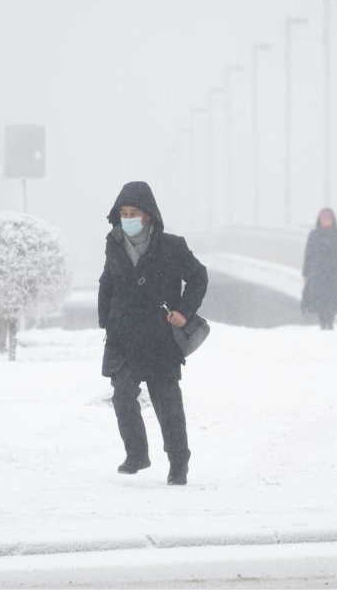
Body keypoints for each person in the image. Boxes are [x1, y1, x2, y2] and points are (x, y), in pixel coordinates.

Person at [98, 181, 208, 484]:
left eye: (134, 212)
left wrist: (184, 312)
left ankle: (178, 462)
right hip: (122, 334)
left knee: (167, 400)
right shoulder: (114, 243)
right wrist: (105, 319)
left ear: (148, 216)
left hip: (160, 335)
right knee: (122, 395)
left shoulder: (172, 246)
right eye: (124, 212)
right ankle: (137, 454)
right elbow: (107, 280)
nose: (128, 217)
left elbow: (198, 276)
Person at [302, 208, 337, 330]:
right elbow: (308, 254)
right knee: (320, 298)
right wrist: (306, 273)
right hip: (317, 272)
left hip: (334, 272)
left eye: (328, 219)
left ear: (333, 220)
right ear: (319, 220)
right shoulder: (314, 235)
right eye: (323, 219)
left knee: (332, 298)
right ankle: (323, 322)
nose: (326, 222)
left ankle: (330, 321)